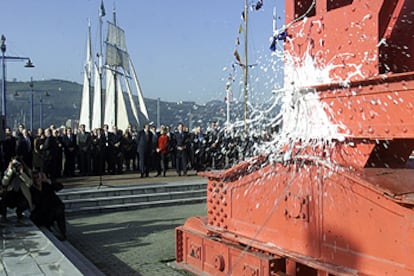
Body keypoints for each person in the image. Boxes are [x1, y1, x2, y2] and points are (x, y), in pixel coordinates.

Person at [30, 170, 66, 241]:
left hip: (54, 208)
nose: (37, 180)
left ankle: (63, 233)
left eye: (38, 177)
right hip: (42, 211)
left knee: (59, 211)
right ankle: (49, 227)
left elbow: (60, 187)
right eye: (34, 178)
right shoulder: (32, 189)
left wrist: (48, 181)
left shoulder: (46, 185)